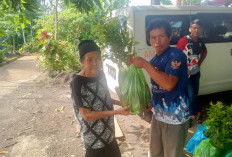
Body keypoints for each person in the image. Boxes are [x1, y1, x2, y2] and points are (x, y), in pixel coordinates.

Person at [133, 19, 190, 157]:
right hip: (158, 116)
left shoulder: (176, 55)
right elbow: (157, 87)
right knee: (155, 152)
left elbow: (169, 84)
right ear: (149, 39)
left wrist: (146, 65)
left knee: (172, 154)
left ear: (169, 37)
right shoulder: (154, 61)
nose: (157, 41)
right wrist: (150, 103)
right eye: (153, 37)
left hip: (176, 118)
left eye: (161, 36)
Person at [70, 40, 131, 157]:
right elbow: (86, 115)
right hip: (94, 141)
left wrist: (121, 103)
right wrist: (117, 112)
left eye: (98, 58)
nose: (95, 62)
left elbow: (105, 98)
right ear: (81, 62)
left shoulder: (101, 75)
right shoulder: (77, 83)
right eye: (90, 59)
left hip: (109, 134)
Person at [176, 19, 207, 123]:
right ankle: (194, 113)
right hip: (186, 74)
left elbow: (205, 52)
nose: (196, 30)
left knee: (195, 93)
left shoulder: (200, 41)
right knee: (190, 94)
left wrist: (199, 64)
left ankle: (195, 112)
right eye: (194, 27)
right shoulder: (184, 40)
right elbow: (177, 56)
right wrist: (183, 69)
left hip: (196, 72)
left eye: (198, 28)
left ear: (201, 29)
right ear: (190, 29)